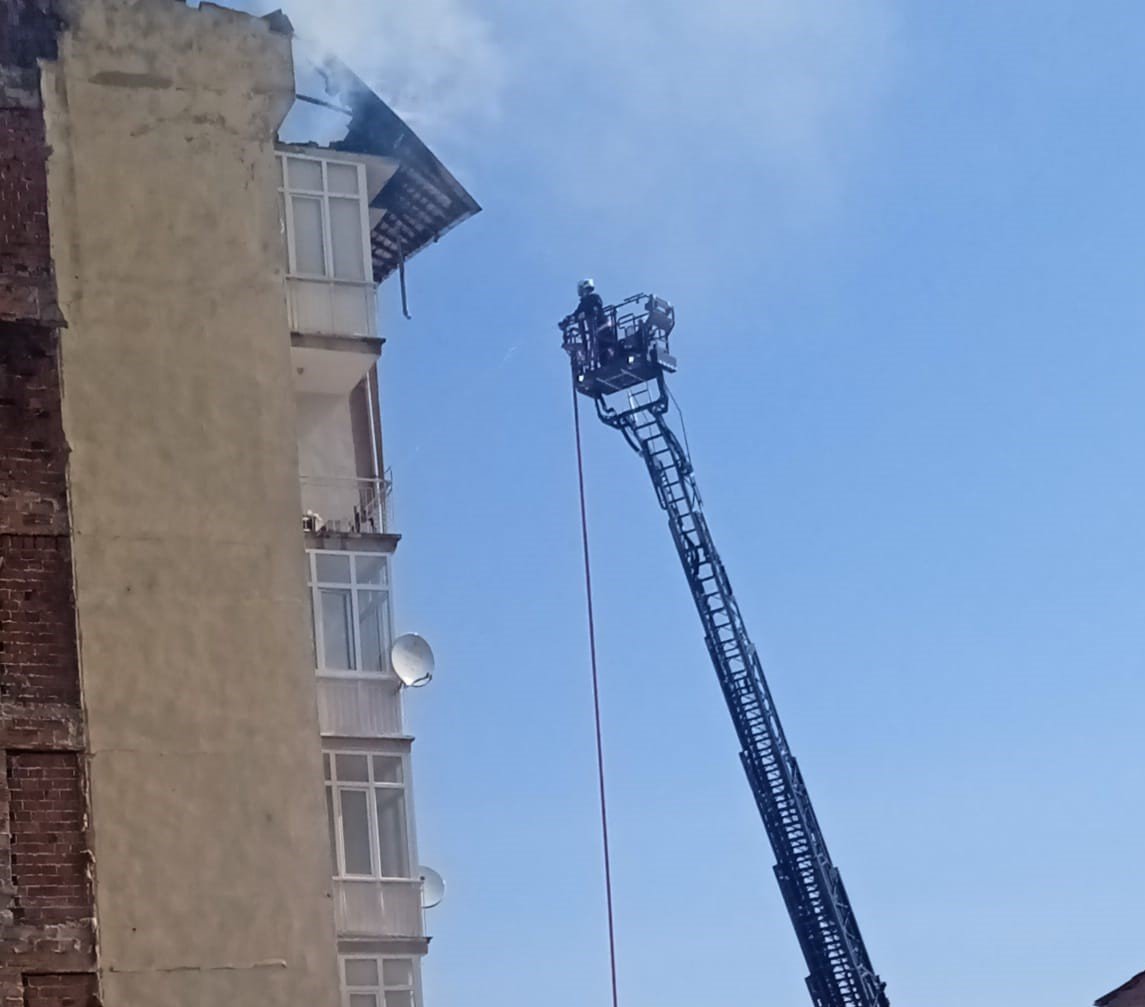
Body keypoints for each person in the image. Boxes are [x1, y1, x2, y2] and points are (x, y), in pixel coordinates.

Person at [573, 278, 617, 364]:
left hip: (602, 326)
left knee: (606, 343)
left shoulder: (594, 298)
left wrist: (586, 313)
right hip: (593, 330)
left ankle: (612, 355)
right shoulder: (582, 303)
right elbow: (576, 314)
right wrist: (567, 320)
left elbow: (595, 308)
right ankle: (602, 362)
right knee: (597, 348)